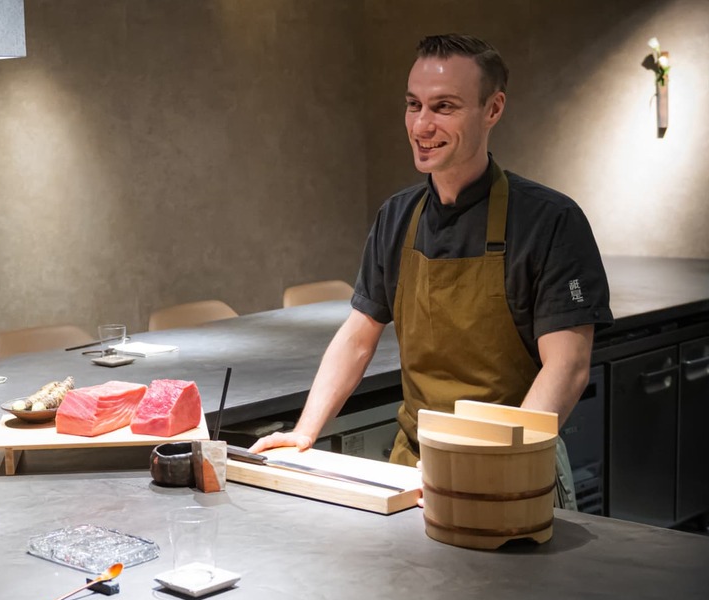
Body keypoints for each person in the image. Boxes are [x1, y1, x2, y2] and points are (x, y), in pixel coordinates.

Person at [251, 34, 612, 509]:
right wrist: (304, 431)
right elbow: (358, 336)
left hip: (514, 471)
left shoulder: (551, 221)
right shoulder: (397, 217)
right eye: (413, 105)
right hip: (414, 473)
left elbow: (568, 366)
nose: (422, 124)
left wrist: (495, 465)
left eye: (444, 107)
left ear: (493, 109)